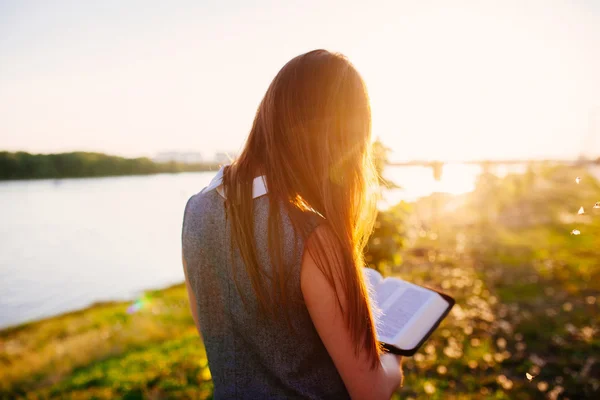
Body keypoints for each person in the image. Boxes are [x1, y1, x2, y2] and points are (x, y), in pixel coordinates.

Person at [181, 49, 403, 399]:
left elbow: (214, 332)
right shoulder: (311, 235)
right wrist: (392, 365)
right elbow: (370, 392)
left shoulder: (196, 211)